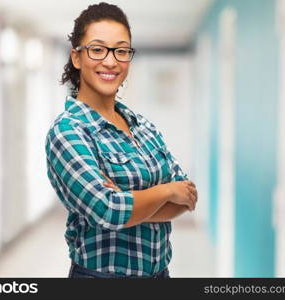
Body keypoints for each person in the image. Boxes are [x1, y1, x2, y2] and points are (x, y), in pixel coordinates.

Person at [45, 2, 198, 278]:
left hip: (160, 274)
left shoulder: (143, 127)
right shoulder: (68, 132)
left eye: (121, 50)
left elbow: (186, 196)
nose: (111, 61)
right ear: (77, 57)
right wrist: (164, 191)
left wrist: (128, 202)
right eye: (97, 49)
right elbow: (108, 210)